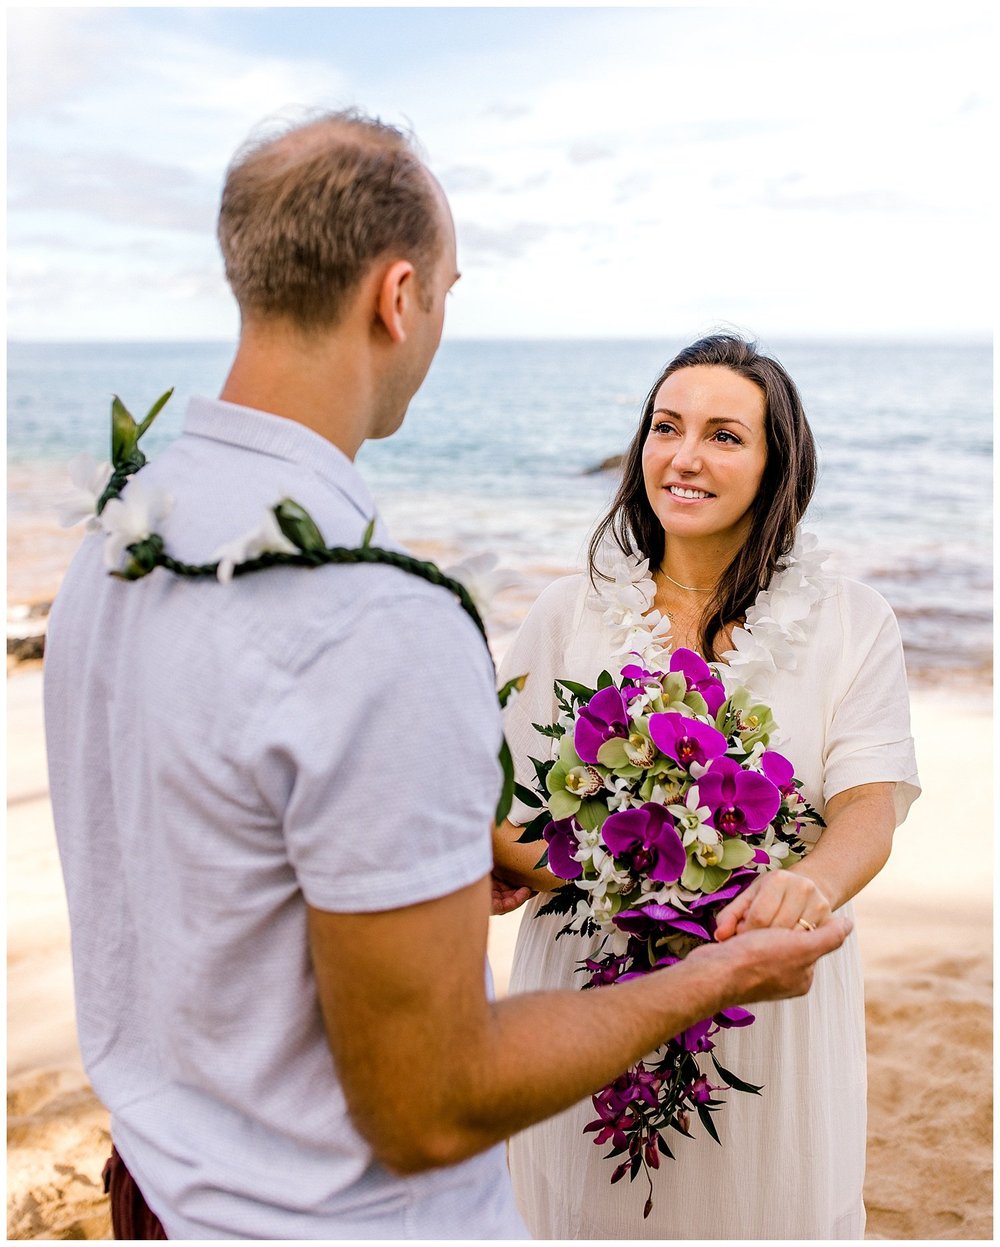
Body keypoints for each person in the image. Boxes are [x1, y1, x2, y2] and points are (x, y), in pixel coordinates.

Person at [44, 116, 851, 1240]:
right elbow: (432, 1103)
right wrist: (716, 977)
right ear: (400, 296)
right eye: (454, 291)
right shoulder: (381, 613)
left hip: (164, 1184)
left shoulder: (125, 538)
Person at [493, 333, 921, 1240]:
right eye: (665, 427)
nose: (683, 457)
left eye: (726, 435)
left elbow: (868, 808)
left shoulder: (852, 621)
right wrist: (594, 870)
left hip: (765, 988)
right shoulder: (564, 615)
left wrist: (809, 884)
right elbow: (506, 819)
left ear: (776, 466)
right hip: (587, 989)